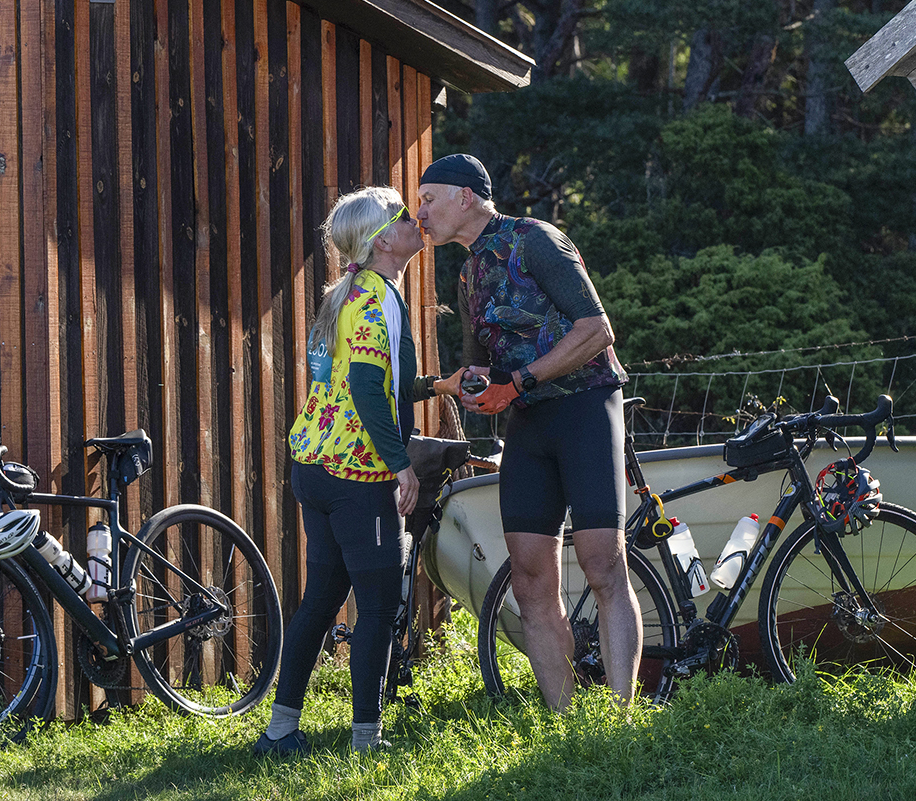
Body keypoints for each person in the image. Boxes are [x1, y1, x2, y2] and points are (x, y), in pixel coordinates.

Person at [415, 153, 636, 710]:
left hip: (586, 407)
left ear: (465, 197)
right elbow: (482, 369)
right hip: (528, 424)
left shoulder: (535, 239)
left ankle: (621, 718)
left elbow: (596, 329)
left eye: (428, 198)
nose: (419, 211)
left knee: (602, 564)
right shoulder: (467, 273)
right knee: (531, 581)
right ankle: (567, 722)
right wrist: (476, 387)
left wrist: (519, 381)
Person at [255, 186, 462, 755]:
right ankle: (366, 741)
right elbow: (369, 388)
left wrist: (431, 387)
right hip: (356, 473)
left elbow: (358, 382)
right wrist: (402, 468)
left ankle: (279, 733)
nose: (412, 219)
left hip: (315, 466)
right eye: (401, 215)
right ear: (380, 240)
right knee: (378, 604)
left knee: (321, 598)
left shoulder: (351, 293)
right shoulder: (374, 300)